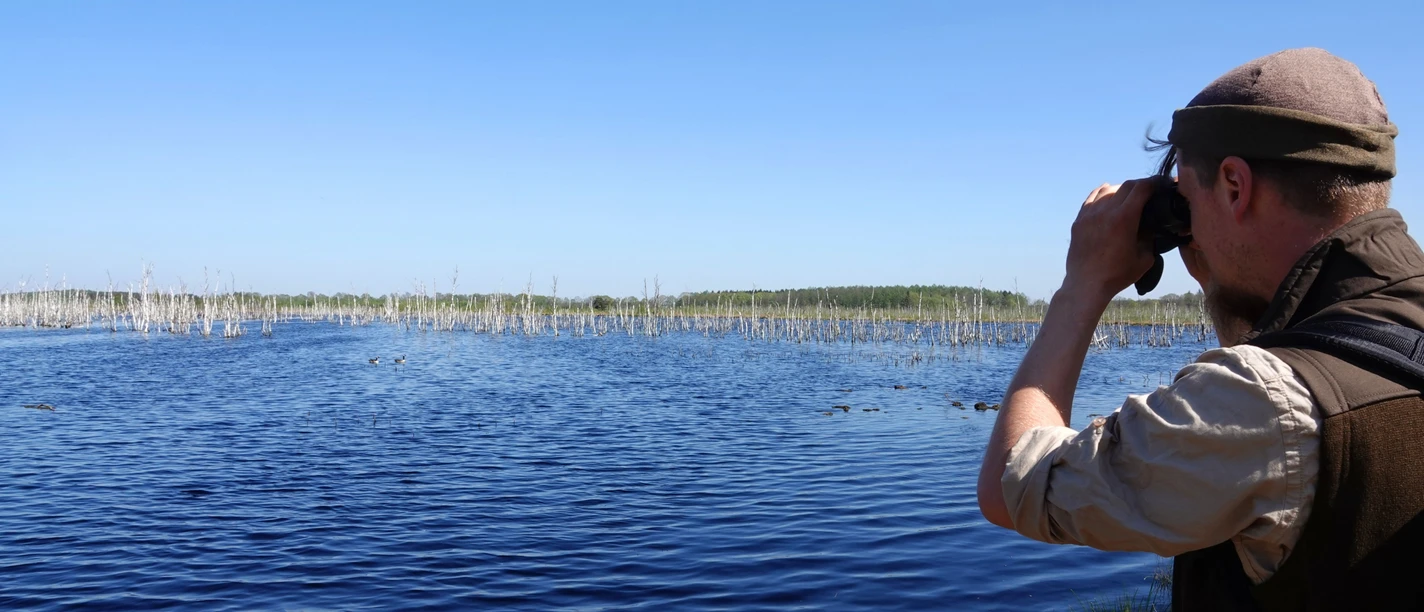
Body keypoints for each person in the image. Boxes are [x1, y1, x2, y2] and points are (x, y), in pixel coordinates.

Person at [975, 48, 1423, 611]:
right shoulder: (1390, 323)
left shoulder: (1259, 403)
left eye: (1187, 199)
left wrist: (1082, 285)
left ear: (1235, 184)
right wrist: (1225, 280)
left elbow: (1012, 483)